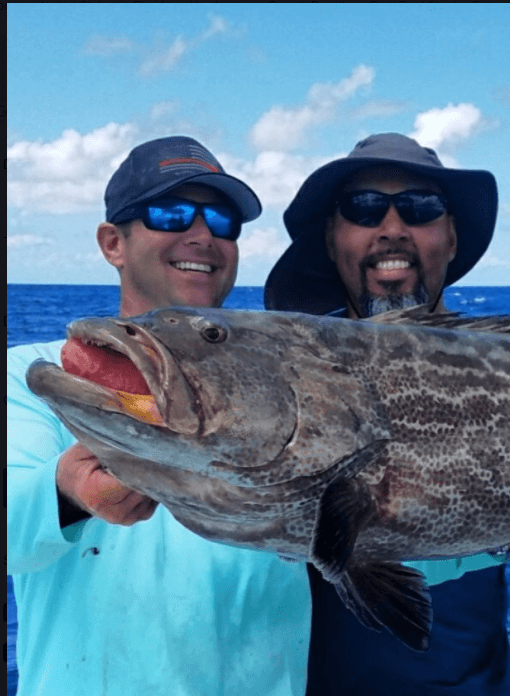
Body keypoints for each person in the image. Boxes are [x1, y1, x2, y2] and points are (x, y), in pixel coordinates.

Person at [264, 133, 510, 695]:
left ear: (451, 237)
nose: (393, 226)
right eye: (362, 207)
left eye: (421, 208)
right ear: (331, 240)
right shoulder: (280, 383)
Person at [7, 136, 312, 696]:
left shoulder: (287, 384)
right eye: (170, 213)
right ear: (112, 243)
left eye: (222, 220)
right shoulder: (28, 373)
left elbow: (370, 539)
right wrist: (68, 490)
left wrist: (496, 536)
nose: (202, 235)